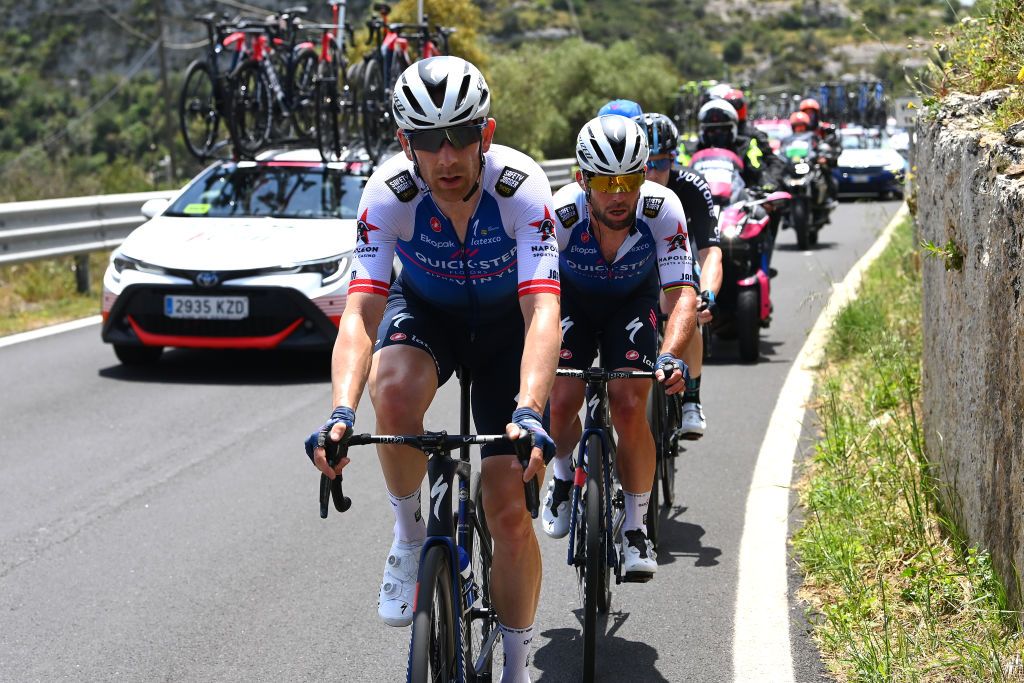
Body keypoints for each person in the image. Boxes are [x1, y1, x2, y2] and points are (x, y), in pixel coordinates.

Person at [303, 56, 561, 683]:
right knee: (389, 392)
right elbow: (361, 314)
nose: (446, 158)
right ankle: (409, 535)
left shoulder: (521, 188)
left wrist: (528, 408)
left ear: (487, 134)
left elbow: (543, 308)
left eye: (461, 138)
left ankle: (517, 665)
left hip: (508, 331)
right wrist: (340, 413)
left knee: (507, 513)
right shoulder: (387, 195)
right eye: (426, 141)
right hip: (428, 314)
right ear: (405, 144)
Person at [541, 115, 698, 581]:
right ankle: (566, 474)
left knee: (630, 404)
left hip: (633, 302)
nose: (618, 194)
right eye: (605, 183)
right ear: (580, 179)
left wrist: (670, 355)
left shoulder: (662, 210)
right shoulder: (561, 214)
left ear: (644, 174)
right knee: (561, 402)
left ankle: (635, 527)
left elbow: (682, 294)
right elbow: (537, 293)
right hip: (571, 301)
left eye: (629, 180)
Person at [637, 112, 721, 439]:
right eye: (646, 164)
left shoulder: (691, 187)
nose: (654, 173)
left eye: (662, 163)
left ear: (674, 159)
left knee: (689, 307)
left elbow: (711, 250)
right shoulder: (621, 189)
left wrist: (709, 293)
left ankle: (692, 401)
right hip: (638, 267)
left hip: (679, 262)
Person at [695, 98, 763, 190]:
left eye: (723, 130)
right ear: (704, 132)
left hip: (739, 200)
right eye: (711, 131)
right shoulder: (692, 150)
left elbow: (758, 172)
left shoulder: (746, 145)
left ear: (733, 129)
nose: (717, 135)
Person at [798, 97, 841, 205]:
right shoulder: (797, 128)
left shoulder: (825, 129)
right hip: (801, 161)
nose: (809, 116)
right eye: (806, 113)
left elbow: (835, 145)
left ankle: (828, 199)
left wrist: (825, 156)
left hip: (818, 160)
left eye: (811, 113)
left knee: (825, 172)